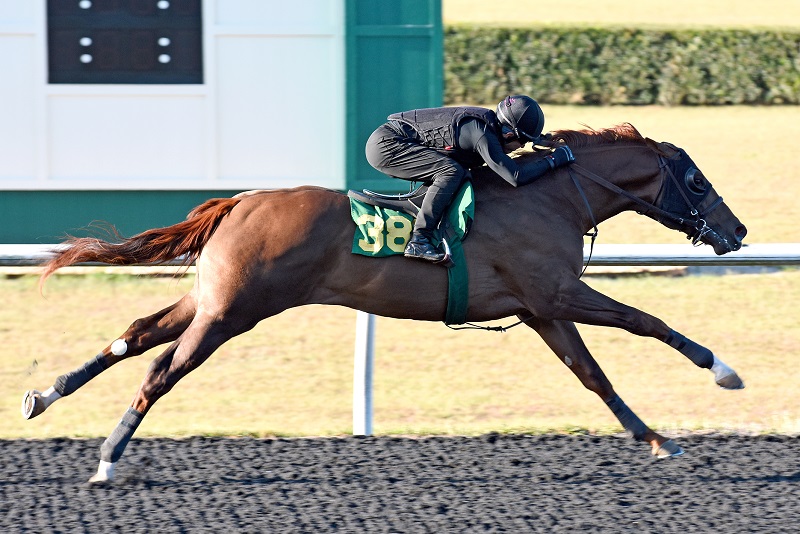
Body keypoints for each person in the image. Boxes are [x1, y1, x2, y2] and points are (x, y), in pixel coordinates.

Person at [365, 95, 575, 264]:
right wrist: (554, 160)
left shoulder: (490, 126)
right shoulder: (482, 135)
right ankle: (419, 239)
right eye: (524, 142)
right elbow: (515, 177)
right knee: (451, 172)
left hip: (394, 141)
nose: (522, 148)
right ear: (510, 134)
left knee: (458, 172)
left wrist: (544, 142)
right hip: (386, 146)